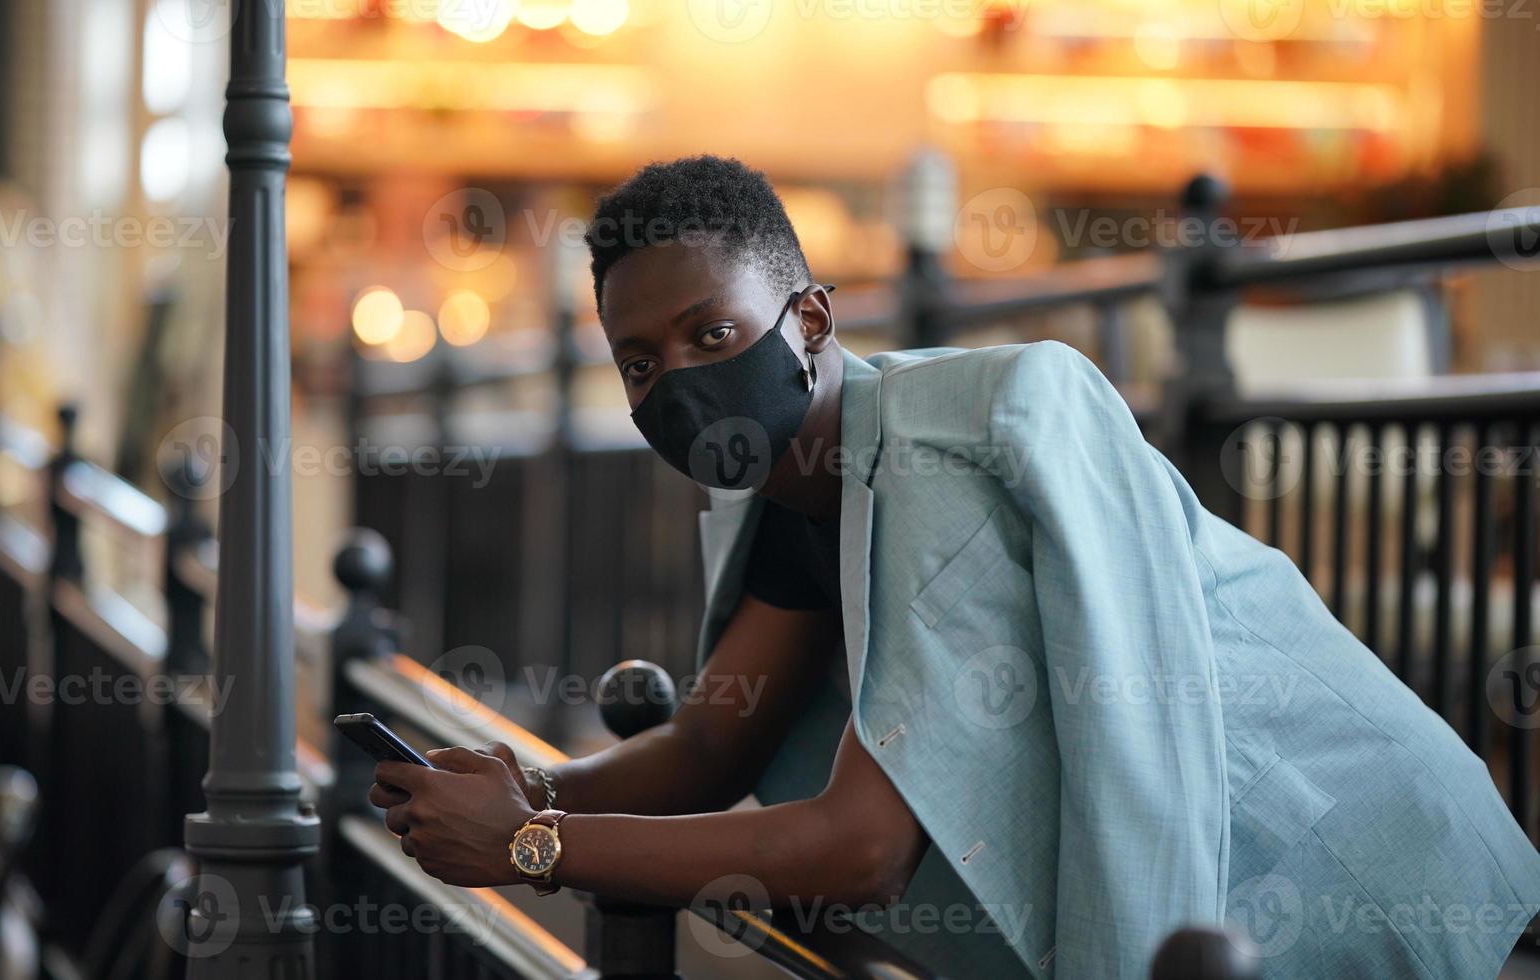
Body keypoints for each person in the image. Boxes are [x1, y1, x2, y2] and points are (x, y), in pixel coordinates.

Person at [370, 155, 1540, 978]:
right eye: (637, 363)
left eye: (710, 335)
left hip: (1351, 845)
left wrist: (535, 846)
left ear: (811, 323)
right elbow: (712, 742)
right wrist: (525, 787)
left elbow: (859, 847)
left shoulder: (938, 453)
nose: (674, 381)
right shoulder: (789, 482)